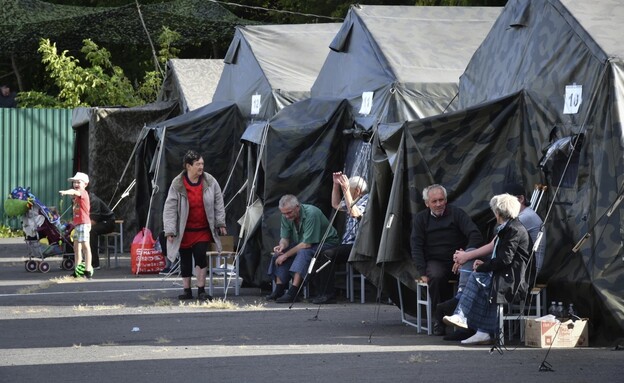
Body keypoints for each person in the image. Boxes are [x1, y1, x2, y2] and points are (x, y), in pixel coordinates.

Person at [439, 182, 546, 341]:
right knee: (478, 271)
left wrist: (480, 264)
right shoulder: (511, 225)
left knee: (479, 277)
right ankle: (478, 326)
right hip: (512, 268)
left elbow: (502, 256)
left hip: (520, 273)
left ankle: (463, 311)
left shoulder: (518, 224)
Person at [410, 184, 483, 336]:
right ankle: (439, 320)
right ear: (427, 203)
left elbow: (475, 235)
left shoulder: (457, 214)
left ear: (446, 200)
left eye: (441, 200)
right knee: (435, 277)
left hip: (459, 259)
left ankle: (469, 321)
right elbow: (416, 247)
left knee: (477, 275)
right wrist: (422, 272)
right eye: (434, 201)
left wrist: (464, 255)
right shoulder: (421, 219)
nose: (438, 204)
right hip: (435, 261)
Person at [163, 150, 227, 301]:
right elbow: (170, 207)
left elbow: (219, 202)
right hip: (184, 230)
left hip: (202, 229)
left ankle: (201, 290)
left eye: (202, 164)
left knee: (200, 256)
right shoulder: (177, 184)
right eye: (197, 164)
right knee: (185, 259)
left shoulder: (210, 181)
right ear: (188, 166)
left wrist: (220, 223)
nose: (201, 167)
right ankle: (186, 290)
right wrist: (170, 230)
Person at [266, 194, 340, 303]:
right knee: (280, 254)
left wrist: (286, 255)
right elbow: (285, 238)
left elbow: (307, 244)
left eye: (289, 212)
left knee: (303, 252)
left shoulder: (311, 213)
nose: (286, 216)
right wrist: (282, 246)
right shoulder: (286, 215)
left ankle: (294, 292)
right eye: (284, 213)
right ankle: (279, 289)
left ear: (297, 207)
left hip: (326, 243)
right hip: (305, 243)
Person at [310, 173, 368, 304]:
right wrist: (336, 185)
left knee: (327, 255)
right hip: (347, 244)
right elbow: (335, 204)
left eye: (347, 190)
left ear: (357, 191)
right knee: (319, 252)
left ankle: (328, 295)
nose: (344, 193)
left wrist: (346, 190)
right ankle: (320, 292)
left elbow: (355, 213)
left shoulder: (366, 199)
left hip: (359, 245)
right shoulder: (352, 200)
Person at [59, 172, 94, 279]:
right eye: (74, 182)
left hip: (84, 224)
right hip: (78, 224)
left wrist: (65, 192)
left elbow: (74, 191)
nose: (76, 184)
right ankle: (77, 271)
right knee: (76, 248)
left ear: (85, 184)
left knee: (85, 247)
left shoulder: (83, 193)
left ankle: (87, 271)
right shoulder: (76, 197)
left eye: (79, 182)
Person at [88, 192, 115, 270]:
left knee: (91, 231)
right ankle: (72, 259)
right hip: (95, 222)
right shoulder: (77, 200)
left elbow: (93, 221)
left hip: (108, 222)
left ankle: (94, 263)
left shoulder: (93, 200)